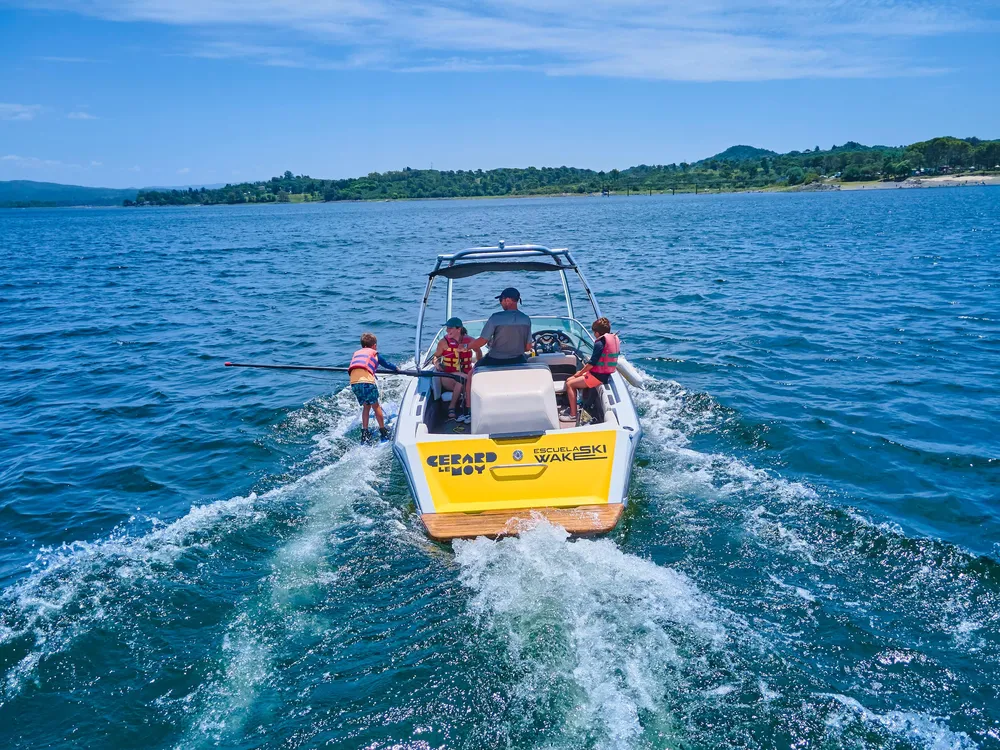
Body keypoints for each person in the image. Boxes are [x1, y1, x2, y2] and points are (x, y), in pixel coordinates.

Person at [562, 317, 620, 420]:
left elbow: (591, 364)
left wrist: (579, 373)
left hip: (598, 376)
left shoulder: (599, 343)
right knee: (569, 379)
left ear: (597, 333)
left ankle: (573, 415)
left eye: (594, 332)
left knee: (569, 384)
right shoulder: (611, 339)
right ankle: (576, 403)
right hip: (602, 374)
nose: (594, 334)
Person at [348, 332, 399, 443]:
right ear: (374, 346)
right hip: (367, 383)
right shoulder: (375, 354)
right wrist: (396, 369)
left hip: (354, 383)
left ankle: (365, 433)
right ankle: (383, 431)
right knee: (376, 407)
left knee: (366, 407)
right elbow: (386, 364)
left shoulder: (357, 353)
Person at [468, 287, 532, 368]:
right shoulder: (526, 319)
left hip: (495, 360)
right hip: (518, 360)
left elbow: (482, 341)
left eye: (501, 300)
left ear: (508, 300)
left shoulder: (495, 318)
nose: (500, 303)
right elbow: (528, 347)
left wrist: (466, 347)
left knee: (473, 372)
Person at [433, 317, 481, 423]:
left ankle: (469, 411)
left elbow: (478, 351)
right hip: (448, 377)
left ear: (458, 329)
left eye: (450, 328)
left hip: (466, 377)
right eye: (447, 328)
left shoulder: (470, 341)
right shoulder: (443, 342)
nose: (447, 330)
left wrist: (478, 363)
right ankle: (452, 407)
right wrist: (436, 363)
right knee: (461, 379)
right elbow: (436, 356)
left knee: (463, 379)